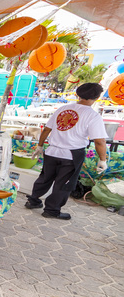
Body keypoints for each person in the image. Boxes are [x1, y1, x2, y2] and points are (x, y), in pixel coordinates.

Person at [25, 83, 109, 219]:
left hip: (52, 152)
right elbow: (99, 141)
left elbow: (46, 129)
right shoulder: (93, 116)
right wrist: (102, 159)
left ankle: (33, 201)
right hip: (71, 155)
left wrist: (40, 146)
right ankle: (51, 210)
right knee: (64, 183)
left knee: (44, 178)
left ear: (78, 94)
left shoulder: (62, 109)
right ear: (97, 97)